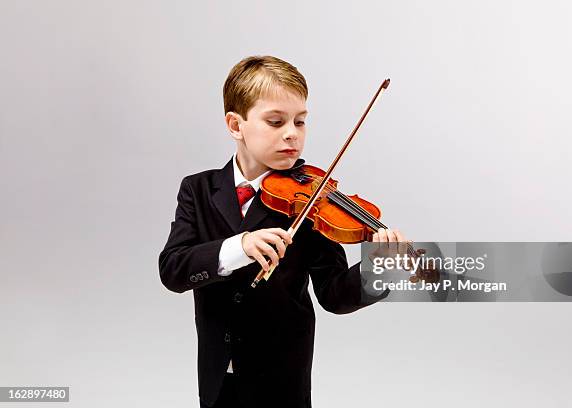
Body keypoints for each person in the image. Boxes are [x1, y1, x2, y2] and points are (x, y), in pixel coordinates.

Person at [158, 55, 408, 408]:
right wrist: (238, 247)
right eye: (275, 121)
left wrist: (378, 270)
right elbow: (173, 270)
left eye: (300, 121)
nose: (292, 133)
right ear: (235, 125)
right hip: (216, 376)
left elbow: (334, 295)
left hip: (282, 379)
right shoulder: (197, 190)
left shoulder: (315, 200)